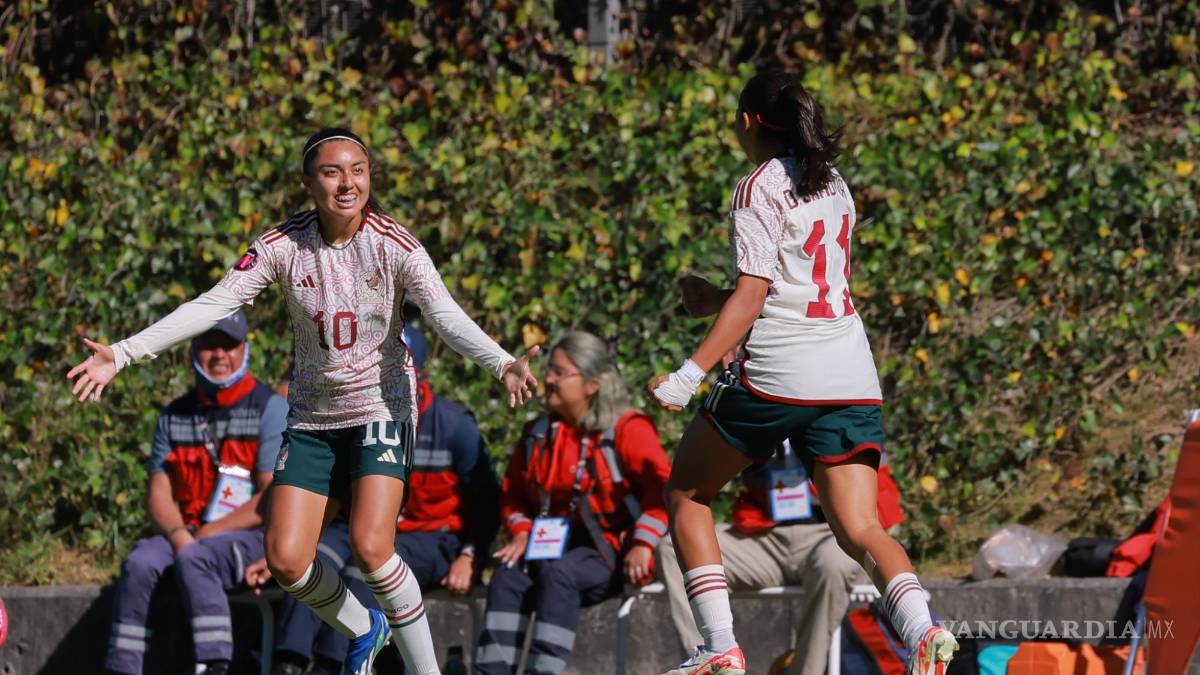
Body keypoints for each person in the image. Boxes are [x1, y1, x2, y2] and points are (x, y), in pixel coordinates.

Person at [68, 127, 539, 675]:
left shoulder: (395, 244)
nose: (347, 184)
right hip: (313, 418)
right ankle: (366, 628)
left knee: (370, 546)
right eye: (332, 172)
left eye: (358, 171)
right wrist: (123, 353)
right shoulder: (281, 246)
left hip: (381, 409)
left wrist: (500, 361)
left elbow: (444, 313)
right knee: (287, 560)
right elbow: (213, 304)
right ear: (308, 183)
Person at [648, 71, 957, 675]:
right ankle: (924, 629)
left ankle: (719, 646)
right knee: (861, 527)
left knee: (687, 493)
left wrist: (688, 374)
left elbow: (757, 294)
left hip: (780, 372)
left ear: (747, 122)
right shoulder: (833, 181)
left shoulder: (756, 186)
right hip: (849, 371)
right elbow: (803, 285)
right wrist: (716, 299)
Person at [258, 324, 501, 675]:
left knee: (367, 565)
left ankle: (336, 664)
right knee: (313, 557)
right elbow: (332, 487)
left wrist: (470, 555)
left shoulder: (454, 425)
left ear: (416, 372)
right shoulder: (351, 415)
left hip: (429, 535)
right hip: (354, 524)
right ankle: (289, 662)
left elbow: (488, 500)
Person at [474, 331, 671, 675]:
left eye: (560, 372)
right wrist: (521, 531)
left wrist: (643, 544)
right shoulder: (538, 434)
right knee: (507, 577)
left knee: (559, 575)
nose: (548, 379)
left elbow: (664, 493)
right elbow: (514, 496)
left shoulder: (628, 429)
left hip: (610, 550)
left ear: (593, 384)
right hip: (548, 547)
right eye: (549, 370)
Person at [103, 311, 288, 675]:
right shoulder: (174, 415)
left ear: (245, 349)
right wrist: (178, 535)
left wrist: (202, 536)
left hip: (249, 538)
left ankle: (213, 664)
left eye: (228, 345)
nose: (219, 355)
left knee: (195, 557)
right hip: (187, 534)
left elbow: (270, 499)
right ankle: (122, 667)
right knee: (140, 562)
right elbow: (158, 491)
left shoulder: (270, 408)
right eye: (208, 345)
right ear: (192, 351)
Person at [656, 440, 906, 675]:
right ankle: (712, 664)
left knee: (834, 562)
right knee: (672, 550)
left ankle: (806, 672)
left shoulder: (843, 414)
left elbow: (878, 500)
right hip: (763, 535)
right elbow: (697, 480)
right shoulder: (752, 413)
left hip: (829, 534)